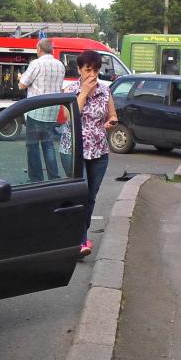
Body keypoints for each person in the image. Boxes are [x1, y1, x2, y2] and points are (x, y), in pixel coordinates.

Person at [61, 50, 118, 258]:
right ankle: (81, 240)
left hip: (99, 151)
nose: (92, 74)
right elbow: (68, 117)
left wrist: (111, 122)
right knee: (81, 195)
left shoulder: (105, 90)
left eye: (95, 70)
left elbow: (113, 115)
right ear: (79, 70)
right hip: (74, 151)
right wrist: (84, 92)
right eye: (87, 70)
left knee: (91, 197)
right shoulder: (70, 90)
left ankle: (76, 236)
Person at [18, 37, 66, 182]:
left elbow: (22, 85)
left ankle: (36, 179)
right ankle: (54, 177)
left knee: (32, 146)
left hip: (35, 111)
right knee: (48, 144)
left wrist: (20, 77)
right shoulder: (60, 65)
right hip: (52, 111)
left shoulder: (36, 64)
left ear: (39, 49)